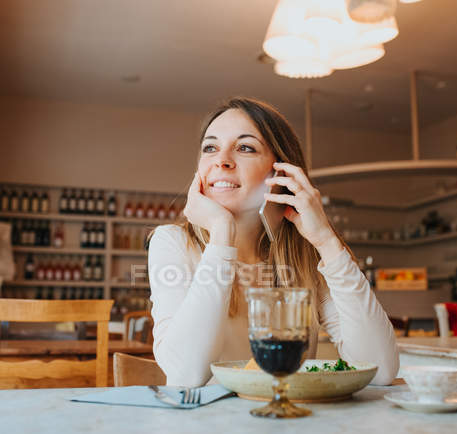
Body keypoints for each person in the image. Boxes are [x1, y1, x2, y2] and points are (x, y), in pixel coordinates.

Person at [147, 97, 398, 387]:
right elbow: (186, 375)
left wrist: (326, 240)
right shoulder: (172, 242)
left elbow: (381, 370)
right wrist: (221, 232)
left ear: (280, 173)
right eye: (210, 147)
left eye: (245, 147)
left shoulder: (304, 257)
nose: (222, 160)